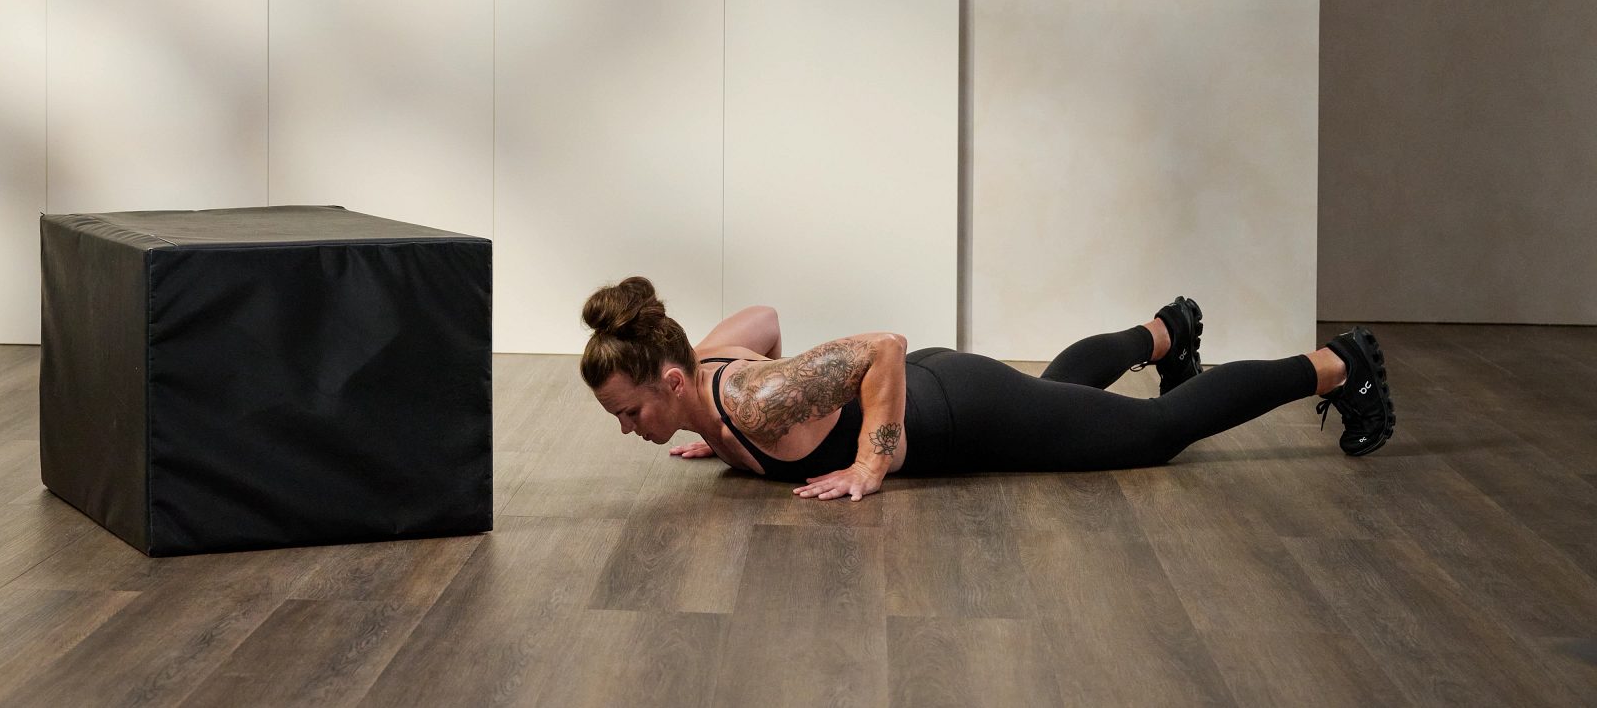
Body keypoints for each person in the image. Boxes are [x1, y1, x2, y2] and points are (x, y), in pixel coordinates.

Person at [579, 277, 1397, 501]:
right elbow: (761, 319)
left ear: (673, 379)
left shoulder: (757, 400)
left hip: (962, 411)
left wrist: (869, 461)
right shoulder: (712, 371)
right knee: (1060, 394)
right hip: (954, 388)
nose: (626, 427)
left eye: (631, 410)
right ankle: (1166, 332)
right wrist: (709, 429)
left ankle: (1338, 364)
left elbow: (881, 348)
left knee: (1153, 434)